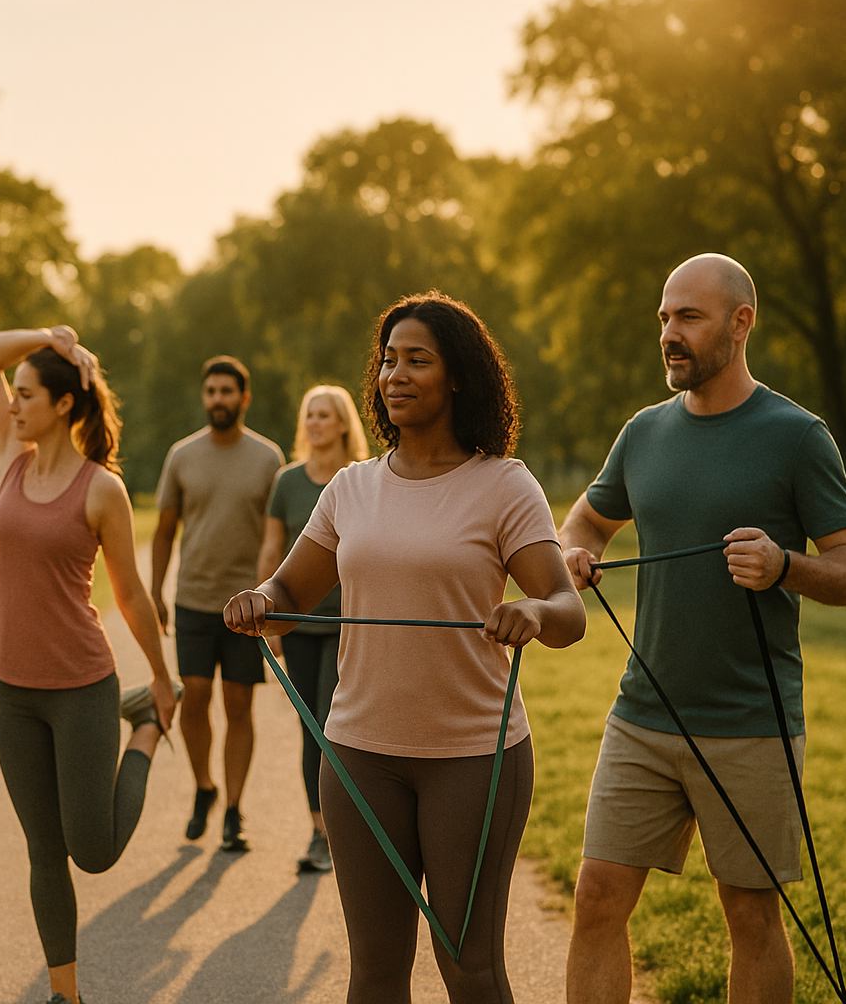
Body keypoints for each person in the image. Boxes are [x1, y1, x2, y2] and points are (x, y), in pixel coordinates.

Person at [226, 293, 585, 1002]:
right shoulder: (351, 488)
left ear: (458, 376)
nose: (396, 374)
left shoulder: (504, 484)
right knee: (376, 973)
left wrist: (534, 612)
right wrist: (260, 602)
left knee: (469, 968)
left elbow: (568, 610)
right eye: (388, 360)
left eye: (417, 360)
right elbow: (290, 598)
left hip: (473, 760)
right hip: (358, 757)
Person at [560, 254, 846, 1004]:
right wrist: (574, 550)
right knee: (595, 897)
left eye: (688, 316)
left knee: (749, 916)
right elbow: (589, 515)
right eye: (664, 317)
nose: (669, 333)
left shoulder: (798, 435)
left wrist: (785, 565)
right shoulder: (644, 432)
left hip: (751, 723)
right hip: (643, 715)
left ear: (740, 323)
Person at [0, 325, 177, 1004]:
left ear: (62, 405)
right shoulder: (10, 455)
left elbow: (131, 593)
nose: (13, 404)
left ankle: (142, 730)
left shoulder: (100, 490)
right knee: (43, 850)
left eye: (26, 395)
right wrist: (48, 337)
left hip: (84, 687)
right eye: (14, 393)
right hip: (13, 692)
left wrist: (163, 677)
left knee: (93, 850)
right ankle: (67, 993)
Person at [152, 355, 284, 850]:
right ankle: (204, 787)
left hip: (247, 608)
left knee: (239, 705)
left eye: (227, 392)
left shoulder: (268, 458)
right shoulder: (181, 456)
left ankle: (233, 809)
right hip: (193, 600)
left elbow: (278, 536)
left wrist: (274, 597)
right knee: (196, 700)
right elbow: (164, 531)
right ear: (203, 396)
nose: (218, 400)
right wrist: (155, 592)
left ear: (243, 398)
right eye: (211, 392)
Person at [256, 383, 369, 873]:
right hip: (300, 624)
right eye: (310, 416)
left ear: (344, 423)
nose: (315, 423)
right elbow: (272, 552)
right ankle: (320, 834)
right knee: (313, 730)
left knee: (344, 728)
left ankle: (354, 830)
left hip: (353, 626)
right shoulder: (287, 482)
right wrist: (270, 615)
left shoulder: (362, 480)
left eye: (325, 415)